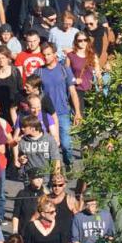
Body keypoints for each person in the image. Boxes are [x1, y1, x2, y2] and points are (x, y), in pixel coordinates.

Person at [38, 42, 82, 172]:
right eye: (44, 55)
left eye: (49, 54)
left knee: (66, 144)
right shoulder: (39, 72)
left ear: (54, 54)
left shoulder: (64, 69)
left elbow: (73, 92)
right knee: (51, 145)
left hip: (62, 111)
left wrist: (77, 112)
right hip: (46, 114)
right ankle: (55, 172)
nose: (46, 57)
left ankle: (68, 164)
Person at [11, 168, 48, 237]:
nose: (39, 180)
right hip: (24, 232)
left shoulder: (46, 195)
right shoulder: (22, 194)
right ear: (30, 179)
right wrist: (15, 232)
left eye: (41, 177)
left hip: (41, 233)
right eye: (36, 178)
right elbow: (16, 214)